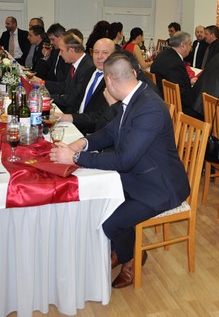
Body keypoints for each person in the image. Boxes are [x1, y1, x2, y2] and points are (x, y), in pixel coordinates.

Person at [49, 52, 189, 289]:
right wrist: (81, 143)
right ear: (133, 73)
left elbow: (124, 160)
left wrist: (75, 158)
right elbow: (109, 132)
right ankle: (120, 249)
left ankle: (132, 257)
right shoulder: (134, 96)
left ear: (109, 81)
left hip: (159, 187)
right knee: (99, 203)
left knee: (110, 222)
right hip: (138, 175)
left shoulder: (149, 108)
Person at [53, 38, 116, 135]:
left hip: (93, 132)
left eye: (105, 52)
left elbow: (100, 116)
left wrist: (67, 117)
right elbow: (77, 100)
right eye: (96, 52)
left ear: (114, 55)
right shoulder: (90, 71)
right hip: (76, 125)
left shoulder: (114, 81)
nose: (99, 57)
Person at [41, 33, 95, 113]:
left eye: (61, 50)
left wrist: (47, 97)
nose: (59, 54)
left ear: (71, 50)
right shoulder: (75, 63)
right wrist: (42, 84)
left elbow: (73, 99)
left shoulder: (87, 68)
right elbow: (65, 86)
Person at [150, 31, 197, 116]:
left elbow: (174, 80)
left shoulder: (163, 54)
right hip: (175, 108)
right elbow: (182, 93)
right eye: (190, 44)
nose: (191, 48)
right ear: (183, 45)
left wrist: (188, 82)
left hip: (160, 99)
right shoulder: (176, 63)